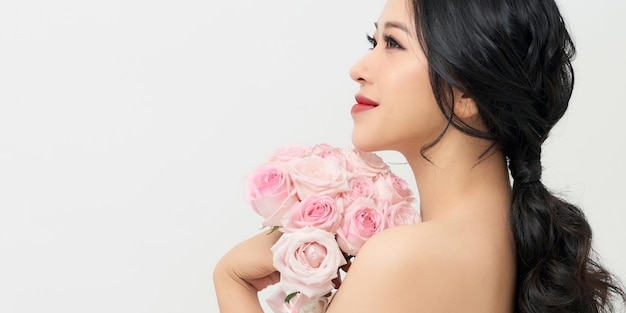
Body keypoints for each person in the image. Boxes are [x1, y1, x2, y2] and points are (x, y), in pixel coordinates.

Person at [213, 0, 626, 312]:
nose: (359, 67)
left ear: (467, 92)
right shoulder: (508, 244)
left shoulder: (405, 257)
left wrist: (231, 279)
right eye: (373, 40)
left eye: (393, 43)